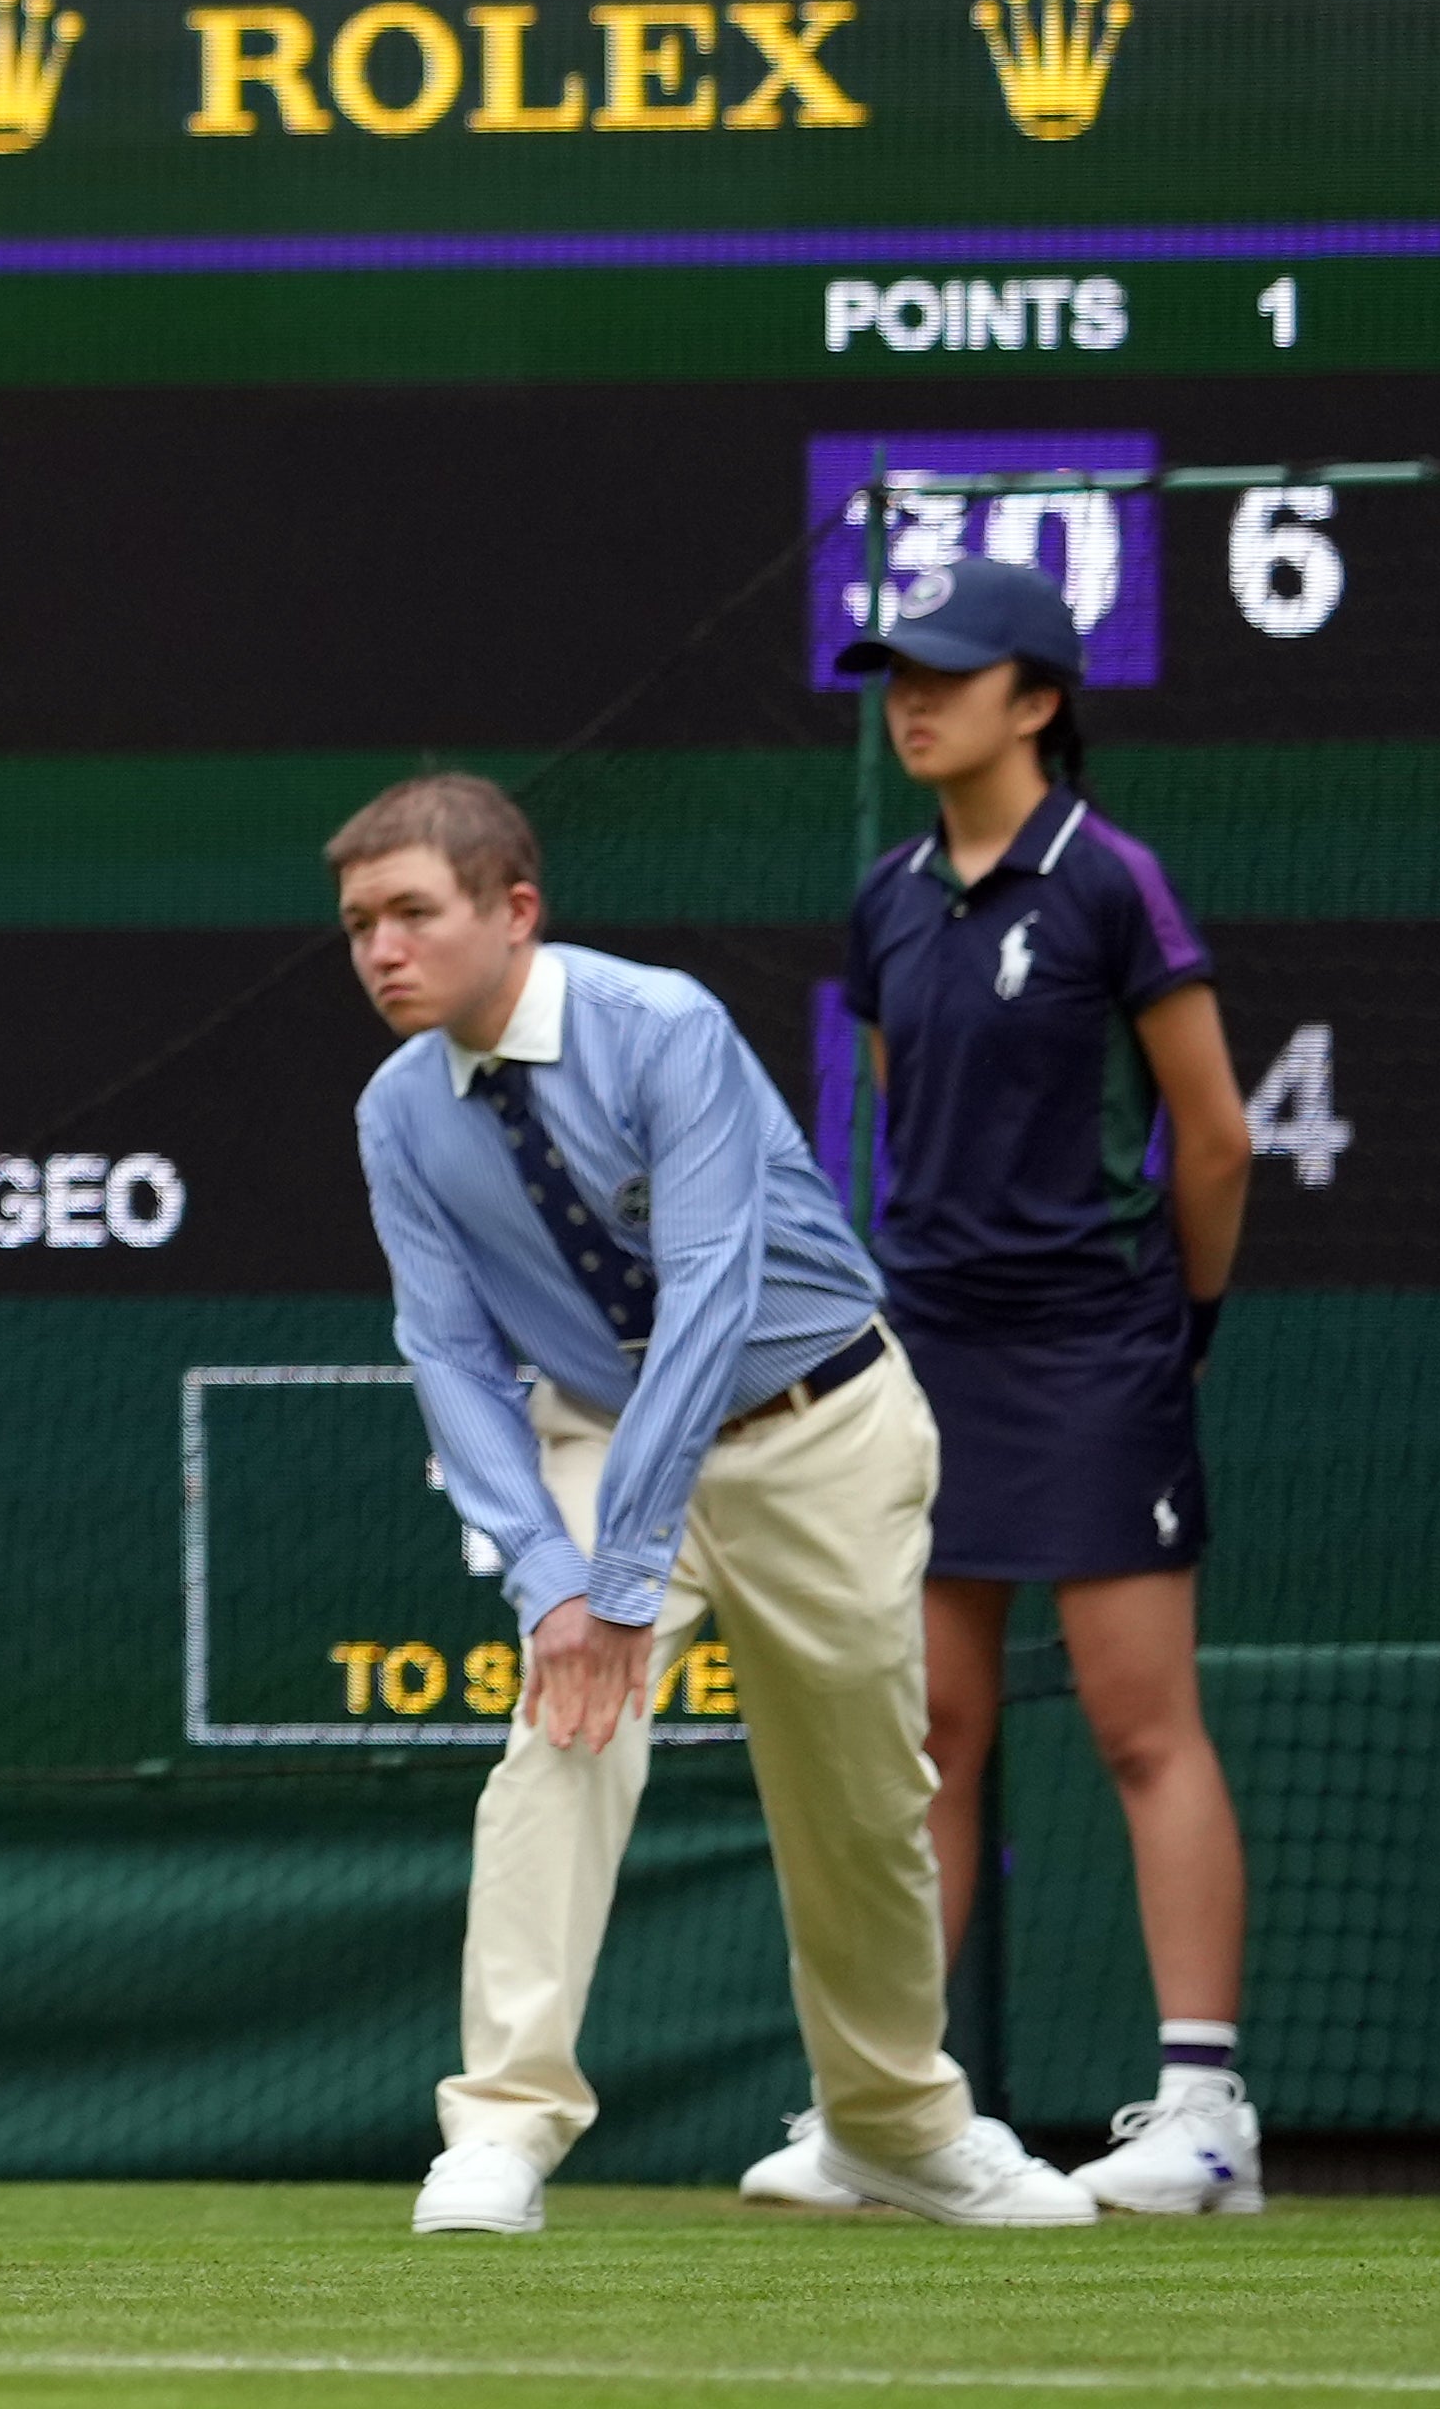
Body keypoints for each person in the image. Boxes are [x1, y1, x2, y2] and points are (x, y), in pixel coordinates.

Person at [337, 771, 1079, 2236]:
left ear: (513, 912)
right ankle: (495, 2132)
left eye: (411, 913)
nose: (378, 950)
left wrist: (618, 1575)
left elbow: (707, 1298)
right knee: (555, 1738)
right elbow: (442, 1349)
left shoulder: (661, 1026)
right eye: (357, 923)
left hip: (820, 1427)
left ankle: (888, 2129)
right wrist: (554, 1579)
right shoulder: (393, 1113)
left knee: (858, 1796)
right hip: (596, 1431)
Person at [804, 549, 1265, 2211]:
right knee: (928, 1731)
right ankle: (890, 2116)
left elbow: (1213, 1133)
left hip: (1095, 1341)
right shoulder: (884, 893)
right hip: (932, 1349)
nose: (907, 696)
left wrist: (1176, 1317)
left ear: (1038, 700)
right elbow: (890, 1116)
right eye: (894, 671)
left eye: (944, 670)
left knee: (1144, 1723)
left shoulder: (1107, 881)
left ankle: (1205, 2111)